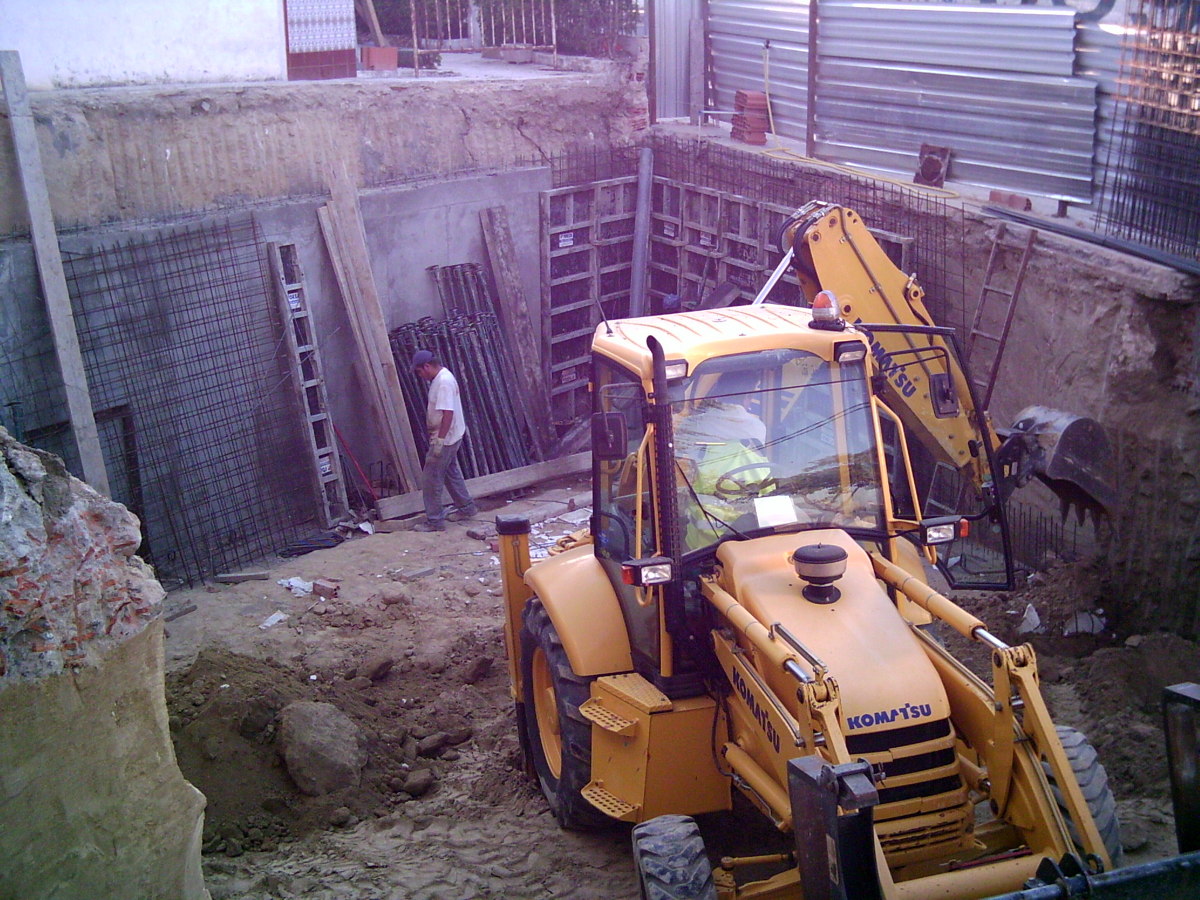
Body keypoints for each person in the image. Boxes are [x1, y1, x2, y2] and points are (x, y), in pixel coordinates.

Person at [410, 349, 477, 532]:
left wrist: (440, 440)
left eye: (420, 372)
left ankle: (435, 521)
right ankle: (467, 508)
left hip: (445, 438)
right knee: (450, 472)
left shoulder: (444, 382)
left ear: (427, 366)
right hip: (451, 435)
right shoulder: (442, 378)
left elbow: (448, 413)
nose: (420, 376)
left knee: (431, 478)